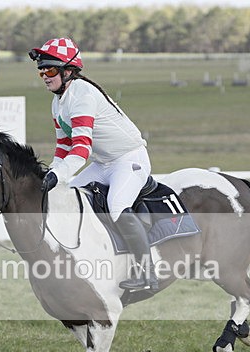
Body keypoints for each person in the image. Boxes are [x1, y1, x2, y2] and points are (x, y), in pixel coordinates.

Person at [29, 37, 158, 292]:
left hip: (129, 159)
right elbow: (64, 147)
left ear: (68, 71)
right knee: (67, 197)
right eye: (41, 70)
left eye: (51, 70)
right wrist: (54, 174)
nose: (45, 75)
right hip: (103, 163)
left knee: (117, 206)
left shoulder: (83, 94)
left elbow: (81, 148)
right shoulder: (57, 102)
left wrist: (60, 174)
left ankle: (147, 273)